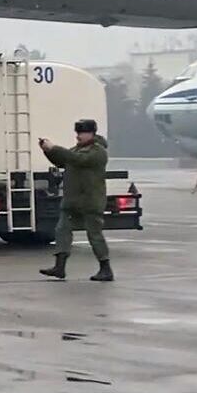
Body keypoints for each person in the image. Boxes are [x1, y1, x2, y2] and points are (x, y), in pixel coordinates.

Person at [39, 119, 113, 282]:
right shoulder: (77, 151)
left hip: (90, 202)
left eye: (82, 132)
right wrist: (48, 151)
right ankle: (60, 267)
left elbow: (77, 160)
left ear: (91, 133)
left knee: (94, 235)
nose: (78, 136)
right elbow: (62, 161)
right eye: (77, 133)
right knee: (62, 230)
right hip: (72, 202)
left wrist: (55, 148)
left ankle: (105, 268)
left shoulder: (98, 152)